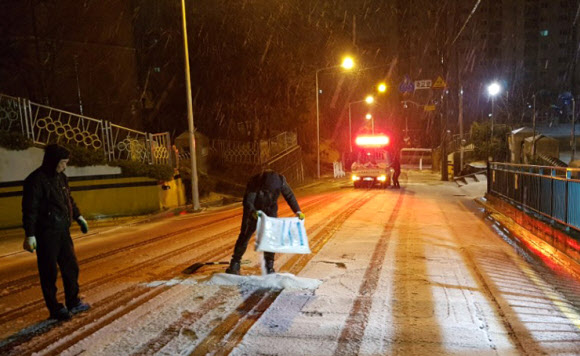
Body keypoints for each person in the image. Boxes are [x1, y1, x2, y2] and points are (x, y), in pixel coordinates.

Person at [22, 144, 91, 321]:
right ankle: (55, 308)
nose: (64, 166)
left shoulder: (62, 178)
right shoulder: (35, 180)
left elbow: (68, 199)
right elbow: (30, 208)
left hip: (62, 231)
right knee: (49, 272)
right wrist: (30, 234)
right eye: (62, 162)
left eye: (66, 163)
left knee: (71, 268)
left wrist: (78, 216)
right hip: (46, 233)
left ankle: (73, 301)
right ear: (53, 161)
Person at [225, 168, 304, 275]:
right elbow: (248, 201)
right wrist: (253, 212)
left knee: (271, 237)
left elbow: (289, 195)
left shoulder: (281, 180)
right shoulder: (255, 181)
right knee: (245, 234)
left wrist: (297, 211)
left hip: (270, 209)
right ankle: (235, 263)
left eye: (274, 191)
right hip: (254, 209)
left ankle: (269, 266)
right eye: (268, 190)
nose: (271, 193)